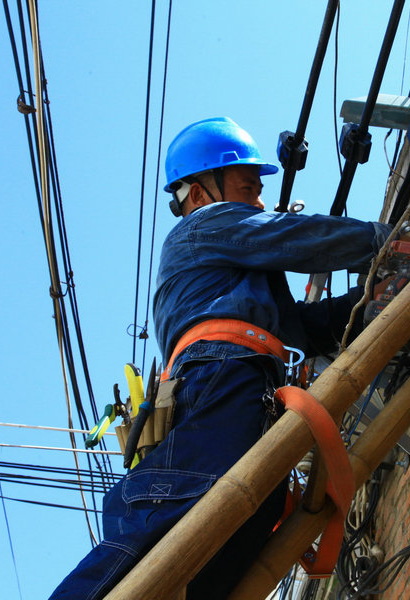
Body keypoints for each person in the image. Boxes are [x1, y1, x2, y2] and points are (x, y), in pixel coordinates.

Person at [50, 117, 392, 599]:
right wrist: (386, 244)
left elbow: (303, 330)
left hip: (244, 380)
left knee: (228, 540)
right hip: (223, 373)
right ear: (198, 194)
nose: (258, 202)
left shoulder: (235, 283)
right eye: (247, 188)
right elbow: (293, 236)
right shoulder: (200, 229)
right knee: (168, 522)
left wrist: (372, 302)